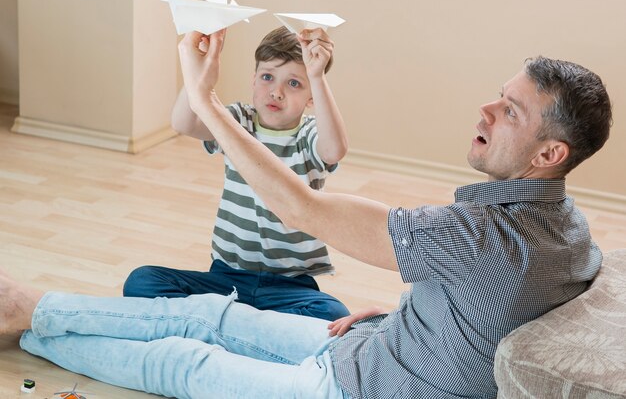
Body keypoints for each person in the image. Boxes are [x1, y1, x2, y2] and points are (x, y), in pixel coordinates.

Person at [1, 29, 613, 399]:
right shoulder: (572, 230)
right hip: (373, 348)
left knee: (182, 361)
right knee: (204, 314)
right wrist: (414, 311)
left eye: (509, 111)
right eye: (499, 95)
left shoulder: (479, 233)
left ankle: (26, 319)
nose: (484, 109)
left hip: (352, 388)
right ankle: (30, 306)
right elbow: (501, 308)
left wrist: (204, 95)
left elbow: (299, 204)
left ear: (549, 153)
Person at [122, 26, 350, 321]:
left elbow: (334, 150)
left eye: (294, 83)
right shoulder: (237, 120)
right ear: (253, 79)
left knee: (332, 314)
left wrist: (317, 75)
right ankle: (245, 326)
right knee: (142, 281)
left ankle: (223, 323)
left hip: (289, 285)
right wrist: (201, 74)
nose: (276, 92)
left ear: (311, 98)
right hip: (226, 278)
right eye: (267, 77)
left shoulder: (309, 135)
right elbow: (183, 123)